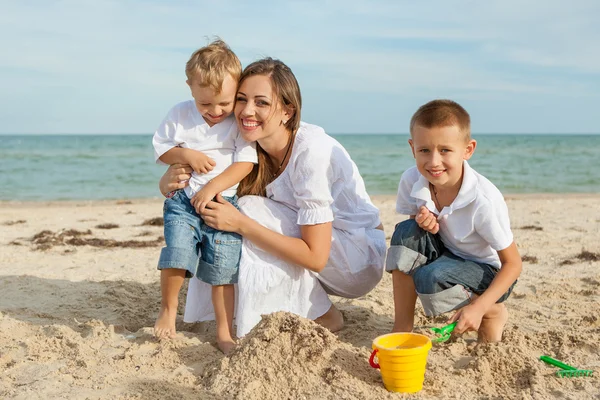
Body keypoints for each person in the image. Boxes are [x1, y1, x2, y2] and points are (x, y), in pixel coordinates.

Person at [159, 58, 386, 338]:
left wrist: (241, 224)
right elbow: (205, 183)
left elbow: (316, 257)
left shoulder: (310, 151)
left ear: (287, 111)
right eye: (241, 99)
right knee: (229, 208)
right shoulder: (248, 145)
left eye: (262, 102)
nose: (247, 111)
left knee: (247, 210)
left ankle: (322, 315)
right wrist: (168, 182)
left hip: (356, 258)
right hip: (322, 249)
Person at [152, 39, 258, 353]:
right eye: (205, 104)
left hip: (222, 204)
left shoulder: (237, 121)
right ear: (190, 88)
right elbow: (162, 150)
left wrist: (213, 188)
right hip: (183, 202)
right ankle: (168, 310)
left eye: (223, 103)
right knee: (178, 252)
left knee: (223, 267)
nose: (215, 112)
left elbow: (245, 163)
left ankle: (224, 330)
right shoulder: (180, 114)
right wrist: (185, 154)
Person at [386, 99, 522, 342]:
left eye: (445, 150)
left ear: (467, 150)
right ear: (412, 147)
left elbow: (513, 264)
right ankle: (401, 328)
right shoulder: (411, 179)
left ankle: (492, 311)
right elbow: (414, 240)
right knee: (405, 233)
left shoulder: (483, 200)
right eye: (424, 150)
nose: (434, 162)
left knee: (429, 279)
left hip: (487, 272)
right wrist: (425, 223)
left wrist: (478, 308)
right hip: (447, 254)